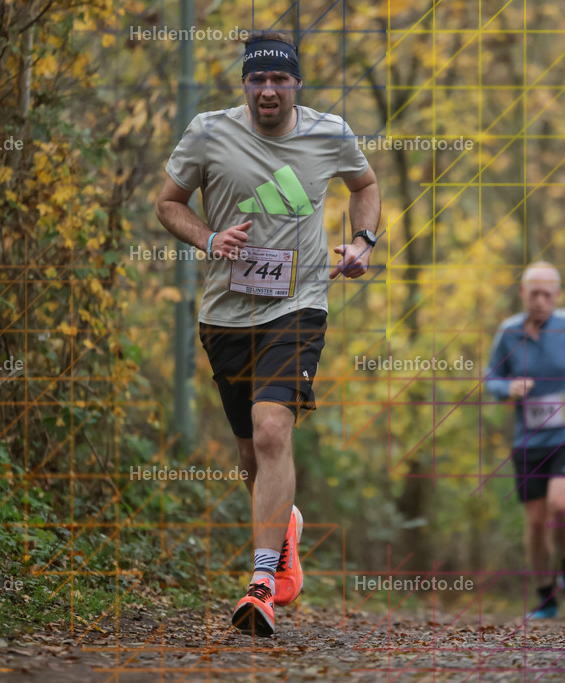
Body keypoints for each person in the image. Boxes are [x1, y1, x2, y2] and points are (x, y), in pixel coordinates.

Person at [155, 30, 381, 637]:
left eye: (280, 80)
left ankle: (260, 583)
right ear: (246, 84)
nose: (269, 91)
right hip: (226, 315)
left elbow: (366, 186)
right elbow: (167, 203)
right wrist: (209, 238)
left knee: (272, 428)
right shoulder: (208, 132)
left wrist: (362, 243)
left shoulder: (329, 132)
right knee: (252, 455)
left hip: (299, 305)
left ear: (296, 84)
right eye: (258, 79)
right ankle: (286, 531)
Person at [486, 262, 565, 619]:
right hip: (527, 441)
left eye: (547, 294)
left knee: (561, 505)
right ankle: (546, 597)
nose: (540, 300)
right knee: (536, 522)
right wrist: (506, 388)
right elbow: (490, 377)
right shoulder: (509, 333)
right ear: (522, 294)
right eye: (533, 293)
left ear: (558, 296)